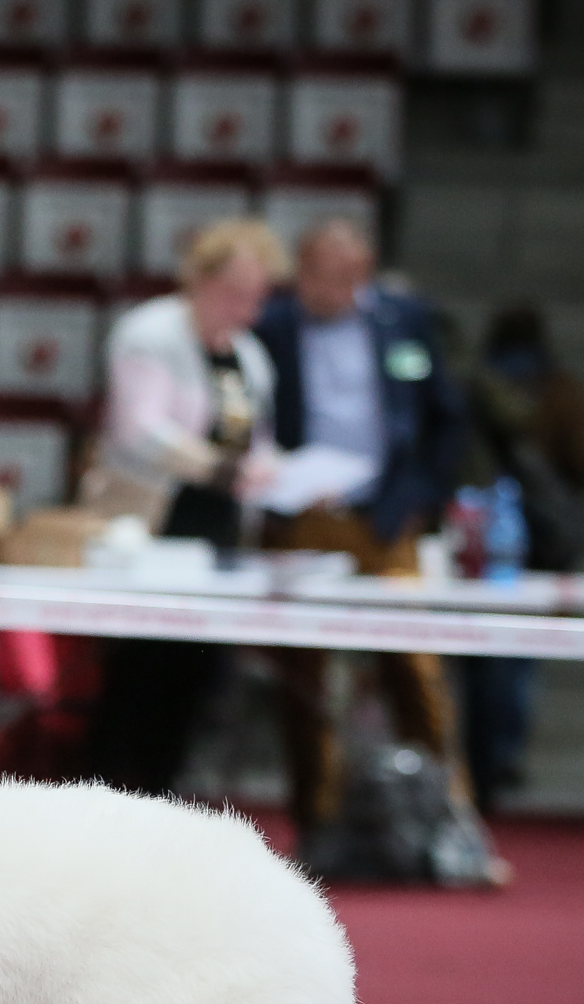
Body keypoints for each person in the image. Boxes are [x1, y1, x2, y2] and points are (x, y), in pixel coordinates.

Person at [252, 218, 473, 853]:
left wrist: (420, 501)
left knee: (414, 663)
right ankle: (317, 823)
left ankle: (449, 819)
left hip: (384, 518)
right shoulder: (273, 326)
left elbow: (446, 420)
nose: (329, 289)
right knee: (303, 674)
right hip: (301, 516)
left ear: (365, 273)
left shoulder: (406, 322)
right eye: (317, 275)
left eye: (344, 277)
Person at [83, 217, 287, 796]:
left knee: (196, 675)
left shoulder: (249, 355)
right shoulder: (149, 333)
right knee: (139, 672)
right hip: (150, 522)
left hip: (216, 528)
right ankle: (108, 794)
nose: (246, 308)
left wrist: (277, 470)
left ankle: (168, 794)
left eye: (256, 296)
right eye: (235, 293)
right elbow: (138, 430)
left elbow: (258, 437)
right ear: (199, 280)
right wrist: (222, 468)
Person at [455, 305, 584, 812]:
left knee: (477, 657)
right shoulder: (559, 391)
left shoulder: (472, 384)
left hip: (478, 539)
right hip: (532, 546)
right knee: (515, 661)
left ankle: (471, 760)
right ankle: (501, 754)